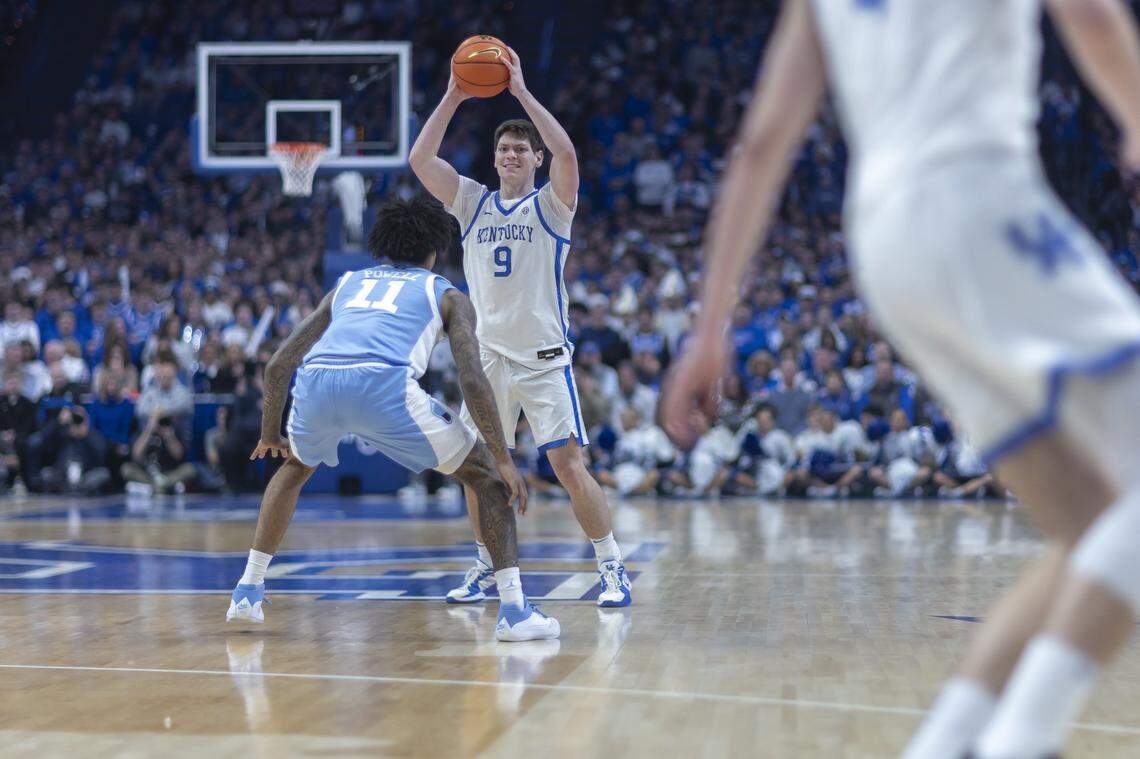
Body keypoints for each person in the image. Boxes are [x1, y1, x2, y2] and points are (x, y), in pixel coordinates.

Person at [660, 1, 1140, 757]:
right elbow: (1088, 13)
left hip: (885, 242)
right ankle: (1025, 739)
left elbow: (761, 144)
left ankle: (948, 742)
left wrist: (709, 327)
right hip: (979, 194)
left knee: (1092, 524)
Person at [226, 197, 558, 643]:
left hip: (319, 379)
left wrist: (271, 434)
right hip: (383, 383)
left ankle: (248, 590)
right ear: (434, 250)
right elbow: (473, 379)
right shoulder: (444, 292)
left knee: (294, 468)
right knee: (484, 478)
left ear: (381, 246)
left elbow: (278, 366)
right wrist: (501, 457)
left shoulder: (347, 283)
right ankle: (515, 611)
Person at [410, 48, 631, 608]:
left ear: (534, 159)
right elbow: (420, 158)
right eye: (502, 148)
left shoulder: (552, 208)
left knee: (567, 466)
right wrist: (457, 95)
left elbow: (567, 150)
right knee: (480, 472)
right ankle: (487, 567)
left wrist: (521, 93)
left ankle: (612, 567)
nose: (509, 154)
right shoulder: (472, 203)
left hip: (542, 359)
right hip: (486, 361)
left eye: (519, 149)